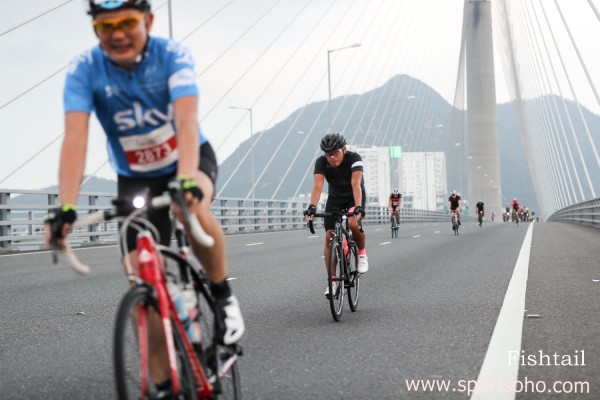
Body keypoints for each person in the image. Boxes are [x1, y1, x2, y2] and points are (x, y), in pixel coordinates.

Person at [43, 0, 244, 393]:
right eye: (106, 26)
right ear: (95, 29)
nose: (117, 34)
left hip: (186, 160)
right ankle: (162, 383)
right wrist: (65, 206)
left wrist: (185, 179)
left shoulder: (172, 55)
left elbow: (186, 121)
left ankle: (223, 297)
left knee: (192, 211)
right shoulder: (84, 69)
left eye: (127, 23)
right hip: (135, 177)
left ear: (148, 21)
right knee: (142, 272)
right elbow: (76, 138)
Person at [305, 133, 368, 298]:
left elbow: (356, 184)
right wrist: (312, 206)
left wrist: (358, 207)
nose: (332, 157)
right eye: (328, 154)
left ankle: (361, 253)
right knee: (329, 237)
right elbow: (318, 185)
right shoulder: (321, 162)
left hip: (354, 196)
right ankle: (333, 282)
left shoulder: (354, 158)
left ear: (344, 150)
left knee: (353, 224)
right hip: (335, 199)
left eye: (335, 153)